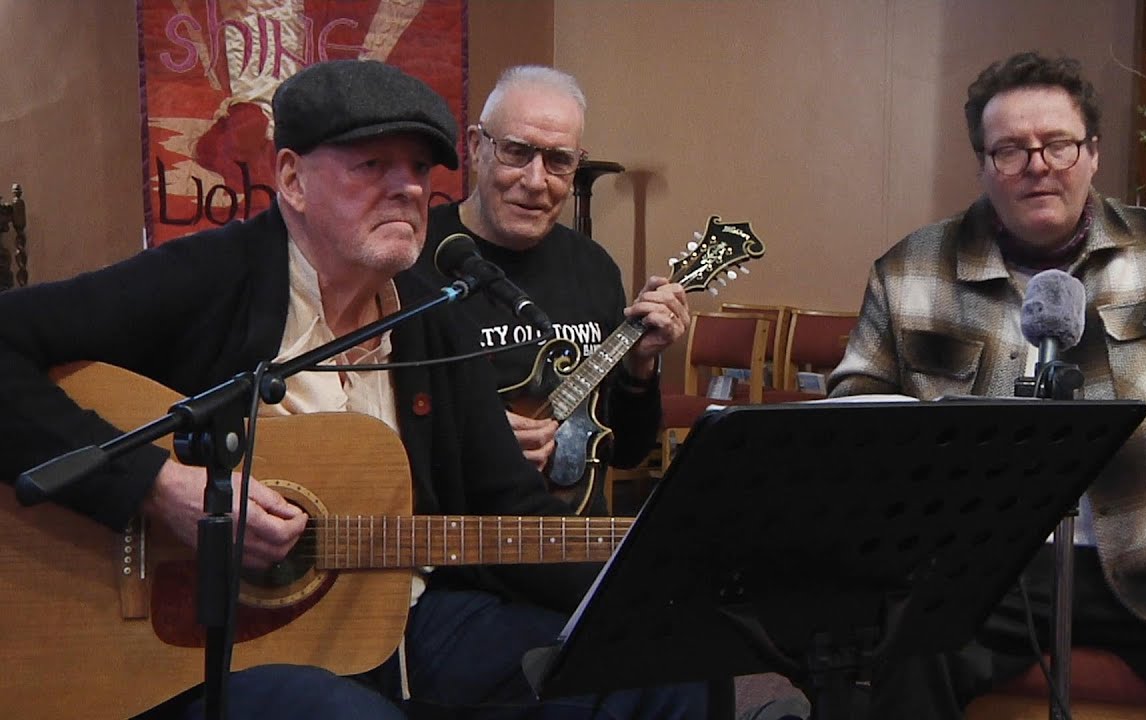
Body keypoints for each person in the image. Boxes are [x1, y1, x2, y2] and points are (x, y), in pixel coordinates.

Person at [0, 59, 703, 720]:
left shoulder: (431, 314)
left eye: (420, 168)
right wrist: (157, 486)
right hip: (207, 641)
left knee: (661, 670)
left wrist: (647, 585)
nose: (408, 188)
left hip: (405, 621)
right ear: (294, 179)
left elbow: (505, 507)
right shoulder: (212, 278)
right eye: (373, 165)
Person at [829, 51, 1146, 718]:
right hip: (979, 569)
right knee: (899, 648)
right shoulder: (910, 271)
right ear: (982, 165)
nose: (1037, 165)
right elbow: (849, 414)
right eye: (1010, 150)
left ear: (1092, 154)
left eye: (1058, 145)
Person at [420, 65, 689, 514]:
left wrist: (642, 365)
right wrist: (475, 441)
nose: (535, 180)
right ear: (474, 147)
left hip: (573, 545)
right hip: (461, 546)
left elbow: (625, 451)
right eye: (516, 152)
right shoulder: (418, 259)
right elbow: (377, 432)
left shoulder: (595, 268)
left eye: (558, 160)